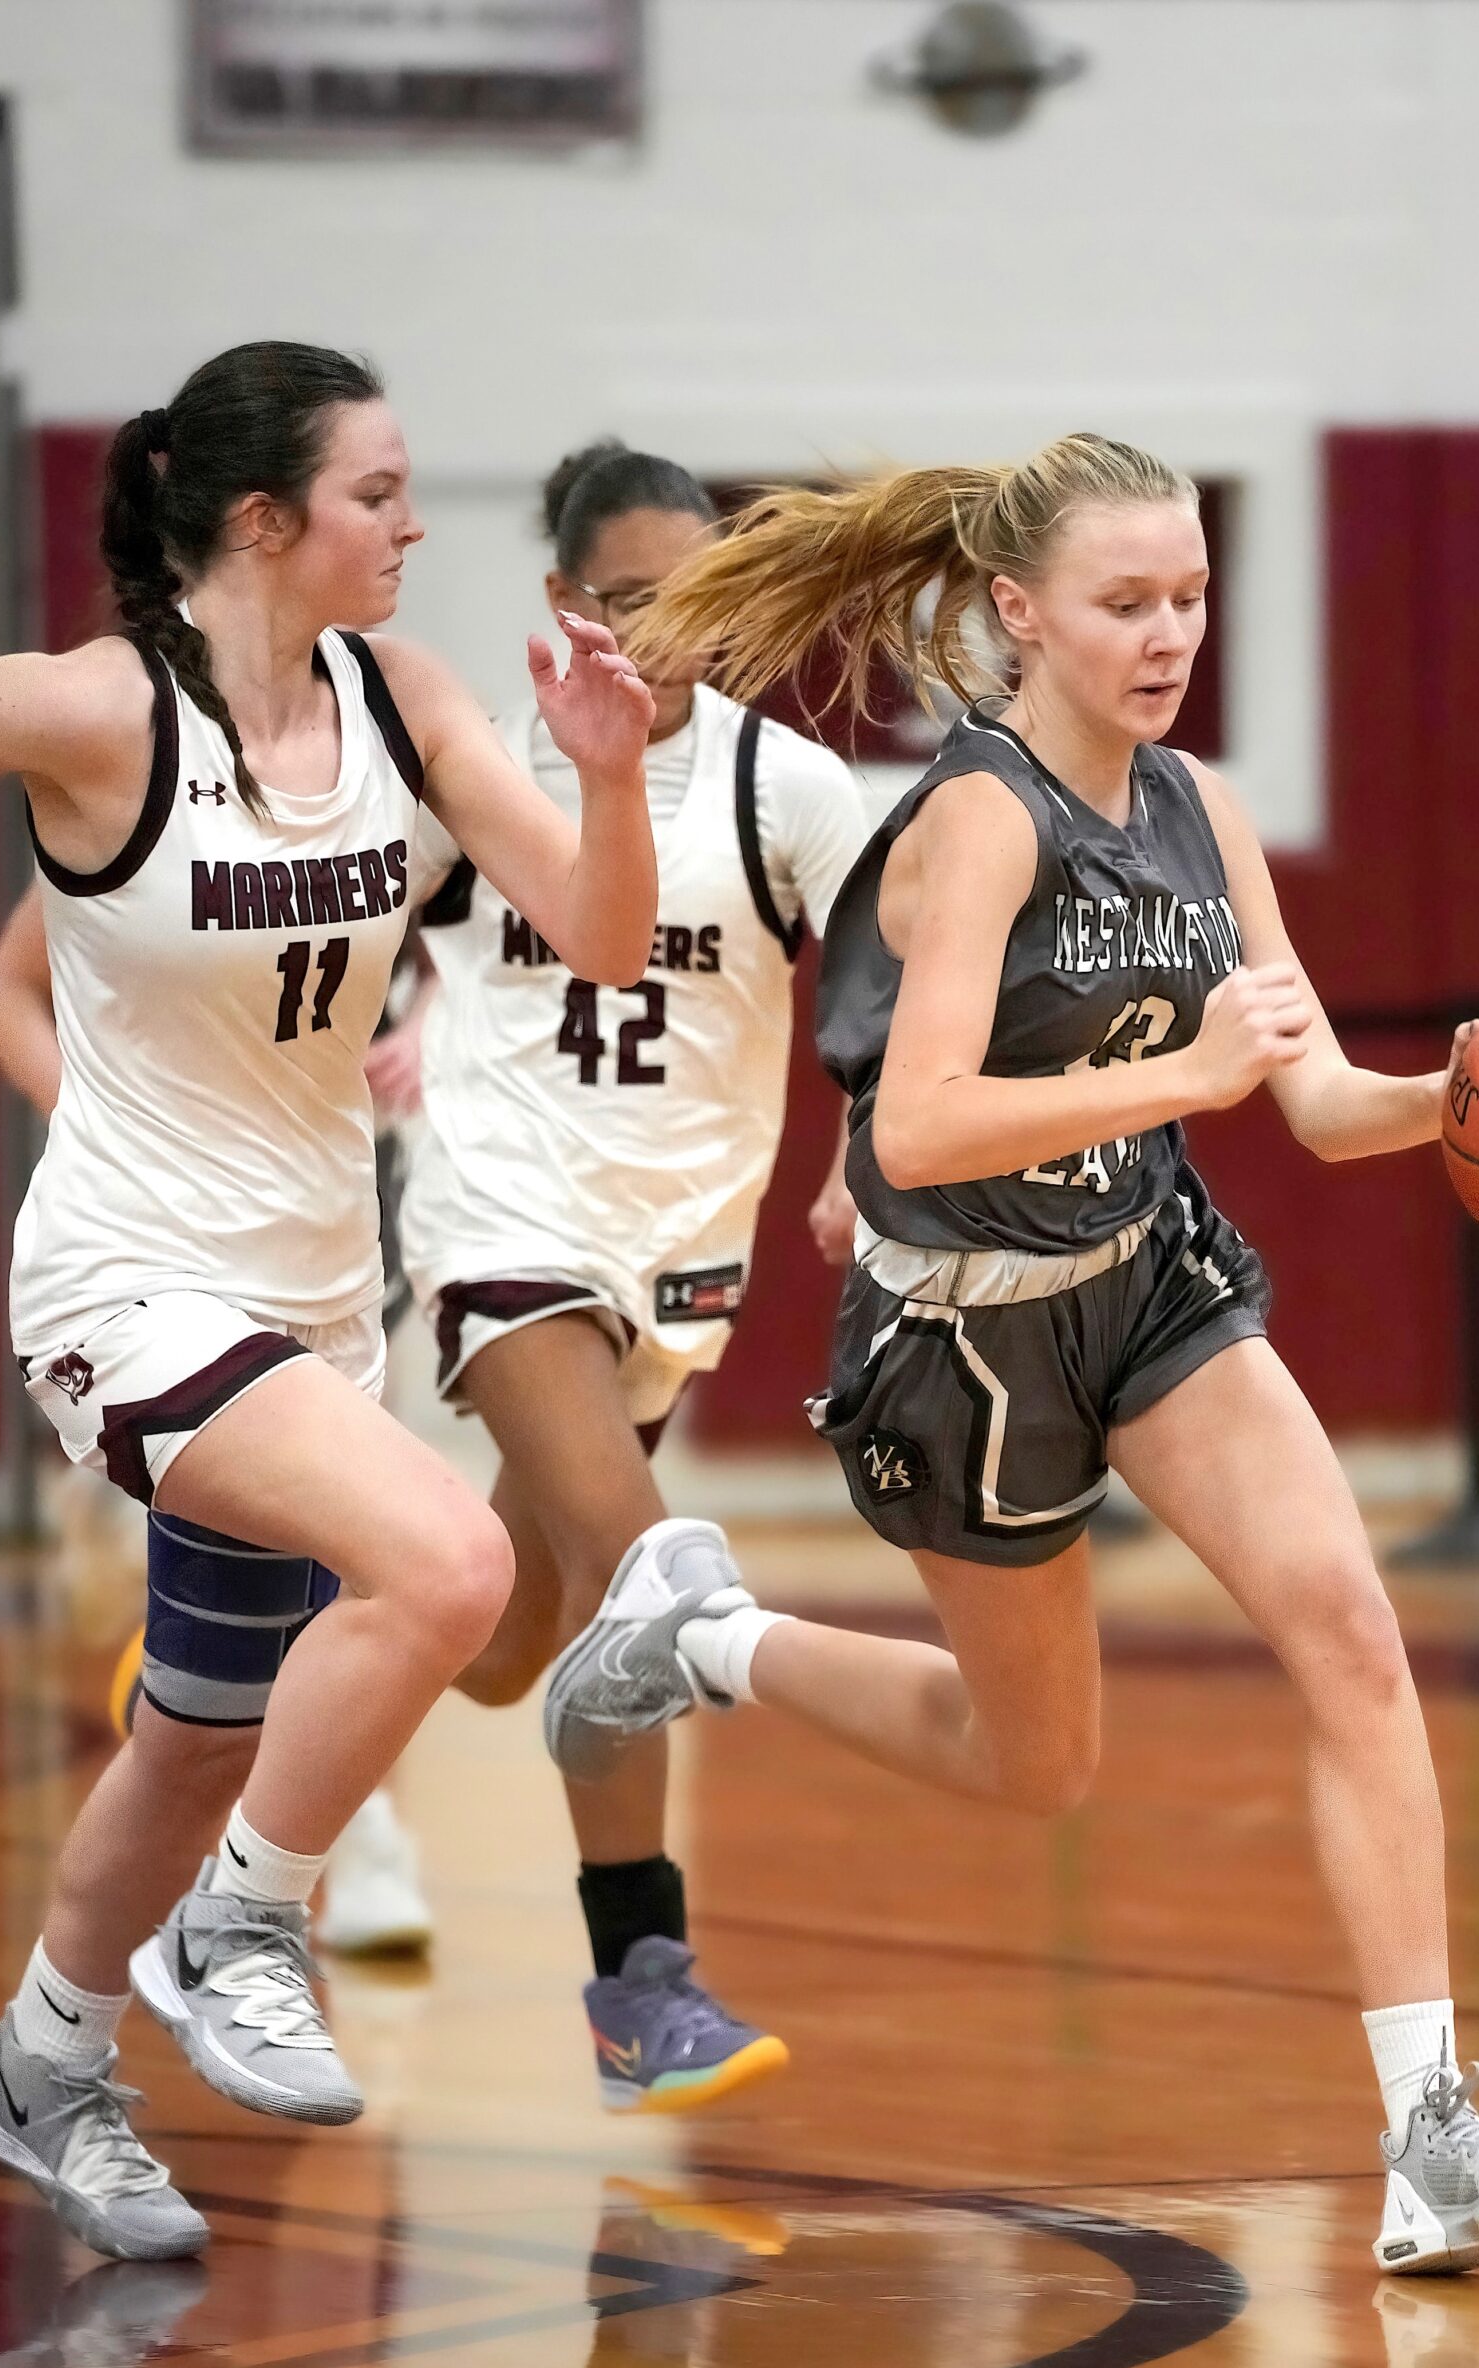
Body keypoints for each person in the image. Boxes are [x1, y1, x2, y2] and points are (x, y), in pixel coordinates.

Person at [540, 434, 1479, 2275]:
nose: (1168, 631)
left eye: (1190, 595)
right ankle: (697, 1637)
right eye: (1126, 602)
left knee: (1350, 1634)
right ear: (1019, 613)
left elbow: (1323, 1101)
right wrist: (1182, 1076)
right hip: (960, 1345)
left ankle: (1427, 2139)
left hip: (1147, 1280)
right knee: (1031, 1765)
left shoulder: (1193, 805)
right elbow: (914, 1131)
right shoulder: (979, 818)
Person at [0, 339, 655, 2259]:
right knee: (450, 1566)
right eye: (379, 495)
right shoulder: (103, 710)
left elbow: (598, 932)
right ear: (264, 520)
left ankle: (39, 2063)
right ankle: (246, 1926)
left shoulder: (404, 704)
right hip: (126, 1290)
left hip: (317, 1305)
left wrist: (609, 773)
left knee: (198, 1732)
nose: (417, 528)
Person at [390, 438, 868, 2110]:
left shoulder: (785, 787)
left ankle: (262, 1653)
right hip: (501, 1219)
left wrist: (855, 1158)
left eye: (698, 603)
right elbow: (330, 943)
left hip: (676, 1258)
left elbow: (888, 994)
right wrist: (387, 1036)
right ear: (556, 602)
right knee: (636, 1569)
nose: (660, 639)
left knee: (506, 1636)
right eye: (624, 604)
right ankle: (638, 1975)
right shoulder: (482, 773)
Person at [0, 892, 435, 1959]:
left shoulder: (399, 773)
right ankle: (348, 1846)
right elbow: (3, 988)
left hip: (337, 1214)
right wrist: (97, 1129)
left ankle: (317, 1825)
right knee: (349, 1551)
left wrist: (431, 1032)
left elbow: (502, 949)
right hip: (165, 1248)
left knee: (368, 1550)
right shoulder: (134, 773)